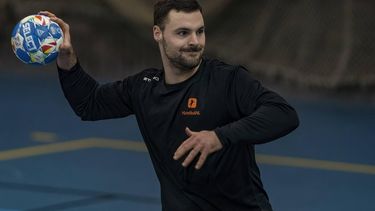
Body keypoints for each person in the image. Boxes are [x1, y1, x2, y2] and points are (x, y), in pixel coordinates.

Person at [40, 0, 299, 210]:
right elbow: (89, 104)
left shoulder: (226, 80)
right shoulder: (144, 87)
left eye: (200, 31)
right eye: (183, 33)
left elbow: (283, 114)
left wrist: (219, 137)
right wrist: (66, 58)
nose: (195, 41)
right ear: (158, 34)